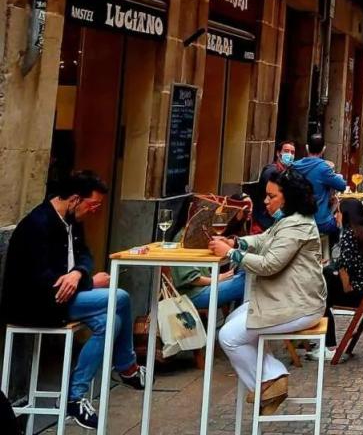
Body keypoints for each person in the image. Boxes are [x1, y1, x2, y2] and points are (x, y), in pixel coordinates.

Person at [0, 171, 146, 429]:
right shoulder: (38, 224)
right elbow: (44, 280)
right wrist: (89, 282)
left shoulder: (72, 221)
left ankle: (75, 396)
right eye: (93, 205)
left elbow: (84, 256)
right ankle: (127, 367)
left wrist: (79, 274)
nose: (95, 211)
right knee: (120, 297)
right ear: (75, 199)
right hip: (37, 303)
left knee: (109, 319)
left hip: (64, 298)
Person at [209, 169, 326, 415]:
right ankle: (272, 378)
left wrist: (230, 254)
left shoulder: (296, 225)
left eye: (271, 196)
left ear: (288, 197)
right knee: (233, 321)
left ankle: (270, 380)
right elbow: (264, 239)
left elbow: (269, 264)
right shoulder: (291, 220)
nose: (265, 201)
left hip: (298, 304)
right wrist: (237, 242)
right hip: (289, 299)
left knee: (229, 336)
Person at [318, 199, 363, 361]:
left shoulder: (349, 235)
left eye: (338, 212)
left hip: (358, 293)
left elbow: (345, 267)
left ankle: (329, 345)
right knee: (325, 282)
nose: (335, 216)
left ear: (346, 215)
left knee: (320, 295)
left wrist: (327, 268)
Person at [170, 193, 250, 310]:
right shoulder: (182, 238)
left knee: (246, 273)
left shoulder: (197, 235)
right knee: (246, 282)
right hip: (194, 294)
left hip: (205, 286)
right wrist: (219, 278)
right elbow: (193, 279)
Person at [292, 134, 347, 250]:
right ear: (323, 149)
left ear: (307, 148)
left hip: (297, 218)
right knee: (342, 222)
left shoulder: (294, 166)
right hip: (319, 221)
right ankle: (333, 255)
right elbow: (342, 185)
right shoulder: (324, 168)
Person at [253, 140, 295, 230]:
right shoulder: (271, 172)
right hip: (265, 222)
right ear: (278, 153)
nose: (290, 155)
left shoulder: (286, 172)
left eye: (292, 152)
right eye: (286, 151)